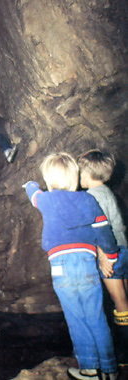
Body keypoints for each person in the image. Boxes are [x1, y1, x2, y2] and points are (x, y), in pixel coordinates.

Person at [23, 152, 119, 380]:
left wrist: (30, 184)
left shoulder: (47, 199)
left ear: (50, 181)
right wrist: (111, 256)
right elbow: (103, 230)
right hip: (87, 264)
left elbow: (33, 195)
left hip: (61, 266)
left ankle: (89, 369)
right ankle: (110, 369)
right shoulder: (89, 200)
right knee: (96, 317)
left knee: (76, 318)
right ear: (75, 178)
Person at [78, 149, 128, 365]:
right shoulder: (107, 192)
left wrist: (103, 256)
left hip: (111, 254)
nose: (79, 177)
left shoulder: (92, 196)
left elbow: (101, 228)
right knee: (125, 298)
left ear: (88, 174)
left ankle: (124, 355)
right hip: (123, 250)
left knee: (120, 303)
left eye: (81, 172)